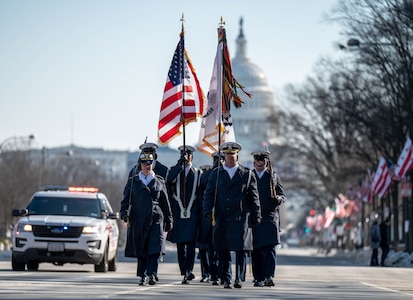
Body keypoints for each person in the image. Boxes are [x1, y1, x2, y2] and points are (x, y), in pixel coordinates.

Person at [203, 142, 262, 289]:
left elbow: (254, 197)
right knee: (223, 249)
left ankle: (239, 278)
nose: (230, 156)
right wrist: (207, 211)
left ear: (237, 155)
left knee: (241, 249)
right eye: (227, 154)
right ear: (224, 155)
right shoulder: (216, 174)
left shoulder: (247, 174)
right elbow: (209, 195)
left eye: (233, 154)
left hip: (241, 217)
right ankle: (227, 278)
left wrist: (256, 216)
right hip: (222, 216)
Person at [120, 153, 173, 285]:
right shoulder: (134, 181)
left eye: (149, 164)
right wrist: (123, 213)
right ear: (140, 165)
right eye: (144, 164)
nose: (147, 167)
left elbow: (165, 203)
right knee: (141, 248)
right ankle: (142, 274)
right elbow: (126, 201)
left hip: (156, 218)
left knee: (155, 248)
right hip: (139, 219)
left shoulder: (159, 181)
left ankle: (152, 274)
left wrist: (169, 219)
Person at [166, 145, 203, 284]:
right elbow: (168, 180)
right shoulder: (175, 172)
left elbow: (199, 195)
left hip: (192, 214)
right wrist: (178, 165)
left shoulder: (198, 173)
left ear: (192, 157)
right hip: (178, 214)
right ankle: (183, 269)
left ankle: (188, 270)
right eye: (183, 155)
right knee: (181, 245)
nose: (186, 158)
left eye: (188, 156)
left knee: (191, 244)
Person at [250, 150, 286, 287]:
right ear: (254, 162)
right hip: (255, 218)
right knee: (257, 250)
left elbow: (283, 195)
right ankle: (258, 277)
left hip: (270, 217)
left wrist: (278, 199)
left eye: (263, 160)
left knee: (270, 249)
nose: (260, 162)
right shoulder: (249, 175)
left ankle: (269, 276)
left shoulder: (273, 177)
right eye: (258, 160)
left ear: (266, 161)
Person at [197, 152, 224, 285]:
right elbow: (203, 181)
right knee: (204, 248)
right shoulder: (210, 175)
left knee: (218, 248)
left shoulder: (225, 175)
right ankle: (206, 273)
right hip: (207, 218)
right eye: (216, 160)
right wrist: (215, 170)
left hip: (221, 217)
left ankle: (217, 273)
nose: (218, 162)